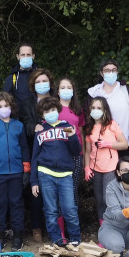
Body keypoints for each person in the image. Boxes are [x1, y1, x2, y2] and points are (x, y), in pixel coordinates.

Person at [0, 92, 31, 250]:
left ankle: (17, 236)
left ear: (11, 107)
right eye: (0, 106)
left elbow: (24, 148)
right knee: (0, 205)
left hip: (16, 171)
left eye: (6, 106)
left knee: (16, 204)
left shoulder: (18, 125)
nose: (3, 109)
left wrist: (26, 170)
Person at [30, 97, 82, 246]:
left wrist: (72, 137)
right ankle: (57, 240)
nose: (50, 113)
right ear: (42, 114)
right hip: (45, 174)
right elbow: (34, 157)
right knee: (51, 210)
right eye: (47, 111)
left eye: (53, 110)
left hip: (65, 174)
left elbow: (77, 151)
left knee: (70, 209)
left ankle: (75, 240)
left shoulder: (67, 127)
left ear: (58, 110)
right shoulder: (40, 131)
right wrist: (34, 181)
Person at [19, 68, 55, 242]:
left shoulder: (57, 100)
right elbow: (25, 125)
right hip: (36, 150)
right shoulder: (27, 103)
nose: (42, 85)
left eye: (45, 81)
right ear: (33, 85)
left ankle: (55, 226)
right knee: (36, 190)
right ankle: (36, 227)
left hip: (56, 151)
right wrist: (34, 127)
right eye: (38, 82)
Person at [83, 96, 127, 224]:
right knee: (99, 200)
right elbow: (87, 151)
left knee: (109, 199)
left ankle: (113, 227)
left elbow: (124, 144)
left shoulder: (112, 125)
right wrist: (86, 167)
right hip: (95, 168)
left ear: (105, 110)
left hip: (110, 168)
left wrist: (109, 144)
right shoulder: (89, 128)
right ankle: (104, 229)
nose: (95, 110)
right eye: (93, 108)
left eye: (99, 108)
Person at [87, 59, 129, 158]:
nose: (110, 73)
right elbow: (88, 116)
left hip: (125, 144)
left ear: (117, 72)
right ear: (101, 73)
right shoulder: (94, 93)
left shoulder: (126, 91)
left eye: (113, 70)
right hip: (101, 144)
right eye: (107, 70)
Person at [57, 77, 86, 208]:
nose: (66, 90)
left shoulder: (78, 110)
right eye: (62, 88)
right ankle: (60, 226)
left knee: (73, 189)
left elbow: (81, 133)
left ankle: (73, 224)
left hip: (76, 154)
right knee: (58, 191)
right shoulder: (53, 109)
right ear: (57, 91)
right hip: (58, 154)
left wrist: (84, 155)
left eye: (69, 87)